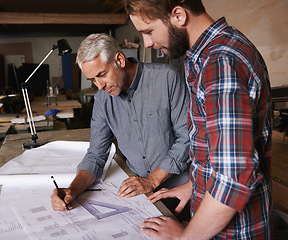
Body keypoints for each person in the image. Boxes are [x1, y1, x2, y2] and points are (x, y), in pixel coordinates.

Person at [123, 0, 272, 239]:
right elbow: (223, 150)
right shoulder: (209, 54)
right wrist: (195, 185)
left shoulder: (220, 63)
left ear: (179, 16)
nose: (148, 43)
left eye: (148, 31)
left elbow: (232, 179)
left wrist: (184, 237)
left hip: (234, 232)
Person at [51, 33, 190, 213]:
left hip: (179, 191)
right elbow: (96, 155)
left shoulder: (166, 79)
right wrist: (72, 190)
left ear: (120, 59)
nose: (99, 86)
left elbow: (187, 138)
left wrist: (152, 180)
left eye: (102, 74)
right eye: (93, 79)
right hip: (141, 196)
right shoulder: (103, 100)